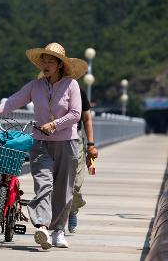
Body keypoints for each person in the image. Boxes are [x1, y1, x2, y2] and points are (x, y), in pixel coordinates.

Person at [0, 42, 88, 250]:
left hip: (66, 142)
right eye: (43, 61)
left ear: (60, 65)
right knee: (44, 184)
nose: (45, 64)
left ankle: (59, 231)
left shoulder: (71, 85)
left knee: (64, 189)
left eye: (50, 61)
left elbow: (75, 114)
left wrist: (54, 124)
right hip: (41, 143)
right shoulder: (35, 86)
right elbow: (13, 101)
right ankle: (43, 226)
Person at [68, 88, 99, 233]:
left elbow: (86, 118)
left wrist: (91, 145)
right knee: (53, 181)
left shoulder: (79, 91)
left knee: (76, 182)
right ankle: (57, 220)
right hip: (52, 138)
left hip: (75, 139)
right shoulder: (48, 89)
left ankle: (72, 210)